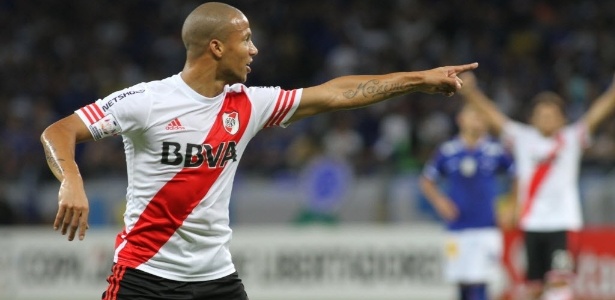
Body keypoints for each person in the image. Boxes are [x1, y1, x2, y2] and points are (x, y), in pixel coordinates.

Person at [39, 2, 478, 300]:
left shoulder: (249, 104)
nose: (254, 49)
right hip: (144, 276)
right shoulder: (147, 100)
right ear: (216, 47)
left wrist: (419, 78)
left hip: (215, 278)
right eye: (245, 39)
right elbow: (58, 131)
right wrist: (72, 180)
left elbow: (336, 94)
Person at [459, 72, 615, 299]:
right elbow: (492, 115)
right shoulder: (522, 138)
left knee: (560, 284)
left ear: (562, 119)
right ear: (532, 119)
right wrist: (470, 92)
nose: (547, 119)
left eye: (552, 115)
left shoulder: (571, 138)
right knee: (534, 288)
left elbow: (597, 113)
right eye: (542, 115)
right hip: (532, 224)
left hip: (563, 223)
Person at [420, 105, 514, 300]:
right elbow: (427, 181)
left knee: (482, 282)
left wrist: (512, 205)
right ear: (460, 119)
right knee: (461, 283)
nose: (477, 120)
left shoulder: (495, 150)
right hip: (457, 227)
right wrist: (440, 202)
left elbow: (519, 175)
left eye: (481, 117)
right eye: (473, 115)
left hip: (487, 226)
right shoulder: (448, 150)